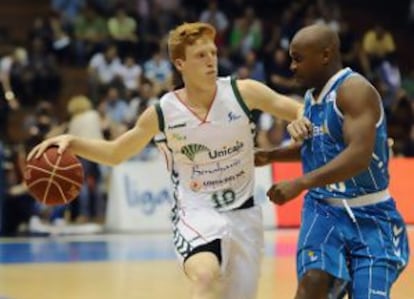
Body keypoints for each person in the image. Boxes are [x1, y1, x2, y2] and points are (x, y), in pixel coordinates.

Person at [28, 22, 308, 299]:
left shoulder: (243, 92)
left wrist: (299, 120)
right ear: (179, 64)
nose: (211, 60)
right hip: (195, 213)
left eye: (213, 53)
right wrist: (73, 142)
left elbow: (297, 108)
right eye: (201, 55)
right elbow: (116, 153)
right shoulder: (163, 112)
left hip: (245, 215)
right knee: (205, 277)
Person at [255, 24, 409, 299]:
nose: (291, 66)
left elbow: (358, 156)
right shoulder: (312, 96)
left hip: (372, 214)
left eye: (298, 58)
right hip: (323, 212)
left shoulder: (355, 91)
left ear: (325, 55)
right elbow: (320, 148)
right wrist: (270, 156)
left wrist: (300, 183)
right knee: (312, 284)